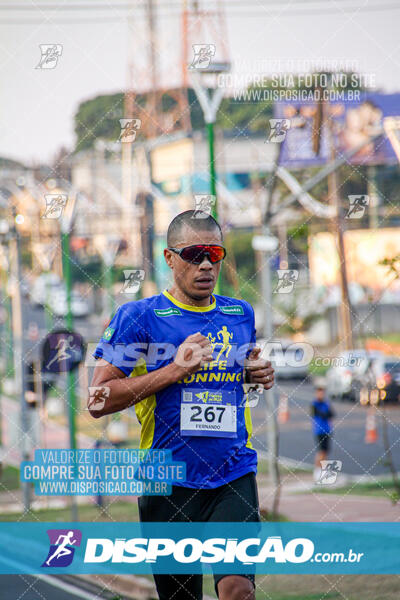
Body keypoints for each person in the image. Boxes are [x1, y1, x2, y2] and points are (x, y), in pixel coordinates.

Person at [89, 210, 275, 600]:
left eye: (214, 253)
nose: (206, 263)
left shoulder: (239, 314)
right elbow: (98, 399)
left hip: (233, 472)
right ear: (169, 257)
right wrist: (174, 368)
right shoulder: (138, 318)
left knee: (239, 589)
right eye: (193, 253)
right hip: (167, 481)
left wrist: (252, 373)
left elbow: (230, 371)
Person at [311, 385, 335, 483]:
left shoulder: (326, 403)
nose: (321, 394)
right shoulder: (314, 404)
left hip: (327, 430)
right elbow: (320, 414)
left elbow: (331, 414)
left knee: (325, 452)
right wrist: (325, 413)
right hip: (319, 431)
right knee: (320, 452)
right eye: (319, 392)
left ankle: (324, 472)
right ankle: (317, 471)